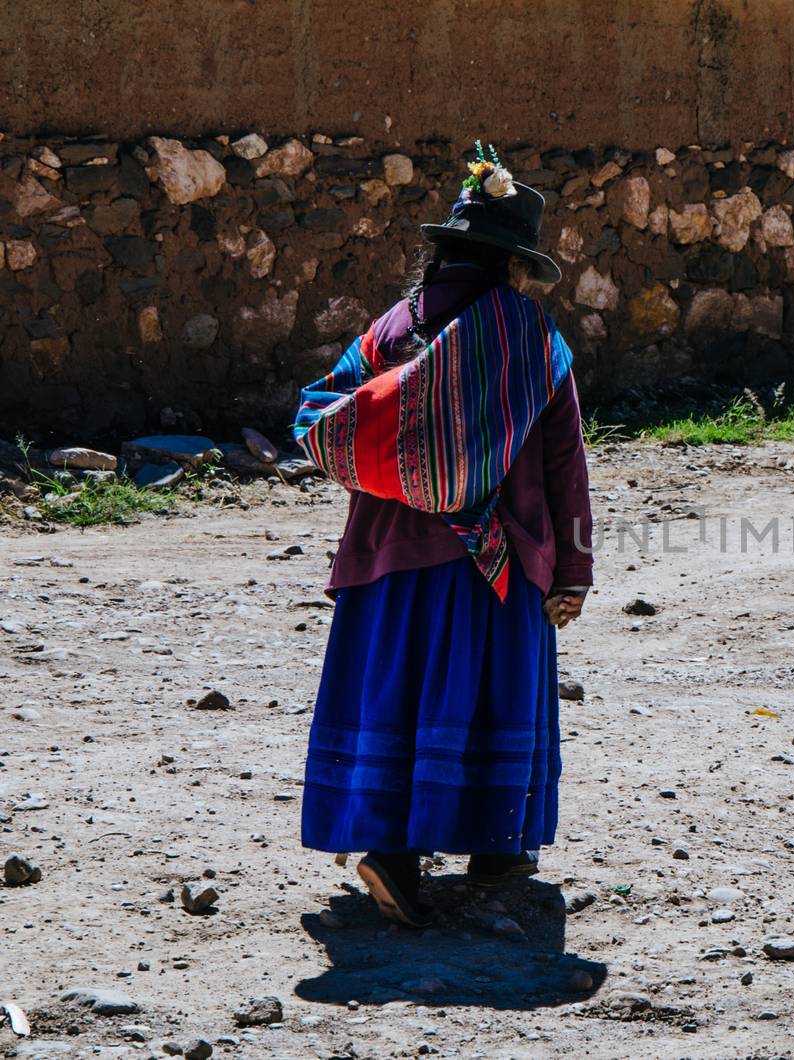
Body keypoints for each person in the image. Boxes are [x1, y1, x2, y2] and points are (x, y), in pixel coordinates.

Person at [291, 144, 593, 927]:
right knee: (488, 701)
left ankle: (388, 850)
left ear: (447, 251)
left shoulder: (390, 329)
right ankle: (496, 843)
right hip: (497, 560)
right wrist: (574, 566)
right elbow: (565, 456)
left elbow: (324, 413)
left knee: (394, 696)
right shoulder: (533, 338)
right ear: (512, 266)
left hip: (391, 556)